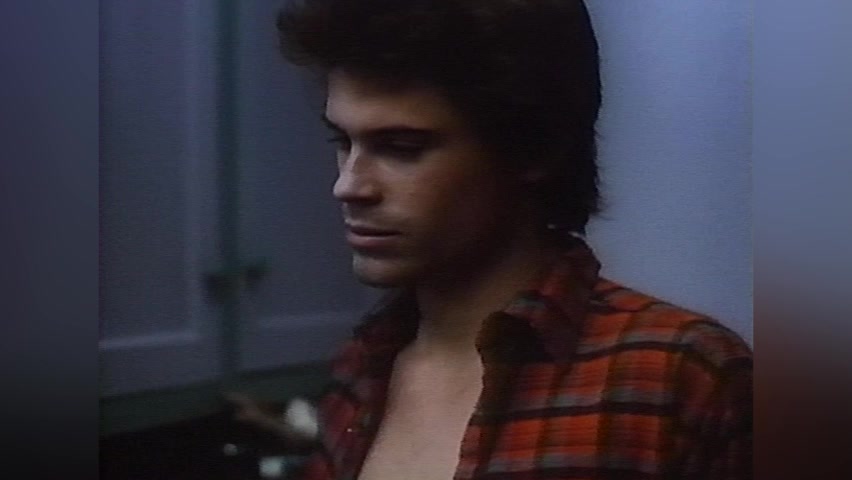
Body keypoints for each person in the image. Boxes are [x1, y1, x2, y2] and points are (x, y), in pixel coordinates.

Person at [229, 1, 752, 478]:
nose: (348, 186)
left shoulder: (683, 375)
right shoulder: (362, 365)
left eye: (402, 147)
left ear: (534, 148)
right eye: (343, 142)